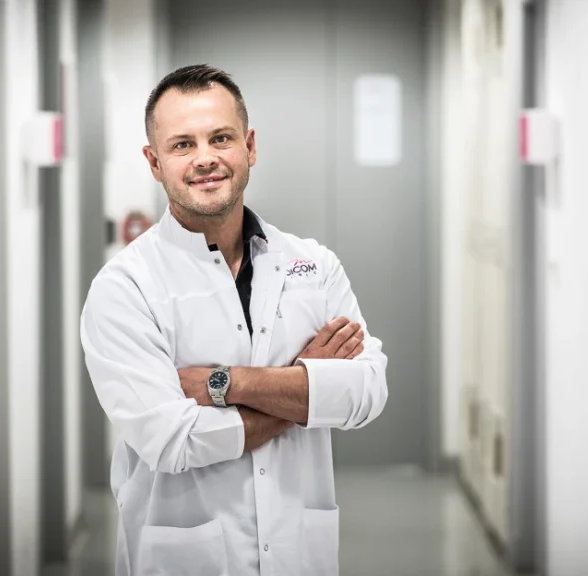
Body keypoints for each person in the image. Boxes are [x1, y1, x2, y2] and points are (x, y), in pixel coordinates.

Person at [79, 64, 389, 576]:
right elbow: (173, 441)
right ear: (154, 162)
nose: (205, 158)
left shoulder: (313, 265)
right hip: (186, 559)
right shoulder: (125, 288)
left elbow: (367, 393)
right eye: (182, 145)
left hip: (298, 554)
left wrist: (225, 384)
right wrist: (306, 390)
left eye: (220, 138)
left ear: (250, 146)